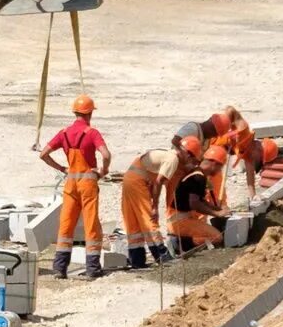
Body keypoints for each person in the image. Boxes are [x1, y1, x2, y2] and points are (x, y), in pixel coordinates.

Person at [41, 93, 112, 280]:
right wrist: (103, 171)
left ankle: (59, 268)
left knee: (66, 224)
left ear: (75, 112)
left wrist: (62, 168)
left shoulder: (64, 133)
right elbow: (105, 154)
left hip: (70, 182)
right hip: (88, 182)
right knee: (91, 224)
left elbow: (43, 154)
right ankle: (92, 269)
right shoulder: (92, 133)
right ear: (89, 114)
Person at [119, 140, 190, 270]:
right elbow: (158, 182)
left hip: (130, 179)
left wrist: (152, 197)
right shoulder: (173, 160)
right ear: (187, 153)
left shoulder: (167, 154)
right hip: (138, 182)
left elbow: (152, 178)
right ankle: (161, 255)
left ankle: (137, 259)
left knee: (133, 221)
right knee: (148, 218)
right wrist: (155, 206)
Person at [167, 150, 226, 253]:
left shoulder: (197, 173)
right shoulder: (198, 178)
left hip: (179, 220)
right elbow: (194, 204)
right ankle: (178, 242)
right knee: (217, 237)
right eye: (220, 167)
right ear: (214, 163)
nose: (219, 171)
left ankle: (179, 239)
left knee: (212, 234)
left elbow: (199, 199)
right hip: (180, 222)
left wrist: (214, 208)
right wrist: (216, 213)